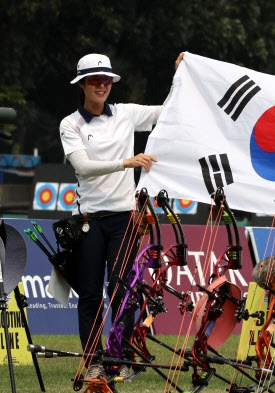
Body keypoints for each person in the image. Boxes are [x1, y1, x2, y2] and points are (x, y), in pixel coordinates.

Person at [59, 52, 184, 380]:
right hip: (87, 222)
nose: (102, 85)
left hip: (123, 219)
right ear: (82, 84)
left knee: (124, 289)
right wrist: (127, 163)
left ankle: (120, 359)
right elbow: (83, 168)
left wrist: (180, 74)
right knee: (90, 294)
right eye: (94, 80)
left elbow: (166, 113)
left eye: (106, 80)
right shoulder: (69, 124)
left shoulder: (126, 113)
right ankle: (94, 361)